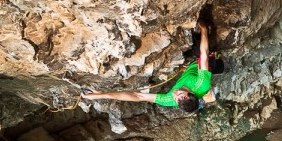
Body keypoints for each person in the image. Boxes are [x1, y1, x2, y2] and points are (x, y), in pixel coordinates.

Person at [82, 22, 215, 113]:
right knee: (203, 49)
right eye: (180, 94)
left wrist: (102, 95)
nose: (175, 94)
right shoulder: (201, 84)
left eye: (177, 98)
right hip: (204, 65)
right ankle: (210, 88)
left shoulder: (170, 100)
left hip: (192, 71)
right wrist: (204, 30)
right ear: (190, 93)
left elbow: (138, 96)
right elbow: (204, 54)